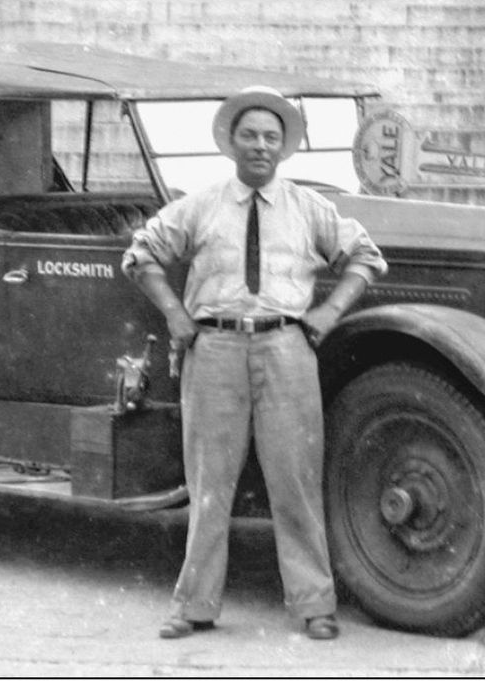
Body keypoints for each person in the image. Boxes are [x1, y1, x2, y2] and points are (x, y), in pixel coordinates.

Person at [122, 85, 387, 641]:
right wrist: (174, 313)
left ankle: (314, 606)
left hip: (286, 350)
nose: (260, 146)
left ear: (285, 146)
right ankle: (194, 605)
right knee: (209, 482)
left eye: (271, 137)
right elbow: (141, 253)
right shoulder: (200, 205)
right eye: (249, 136)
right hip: (214, 351)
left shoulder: (310, 208)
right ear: (231, 143)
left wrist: (330, 311)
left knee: (294, 480)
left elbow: (365, 257)